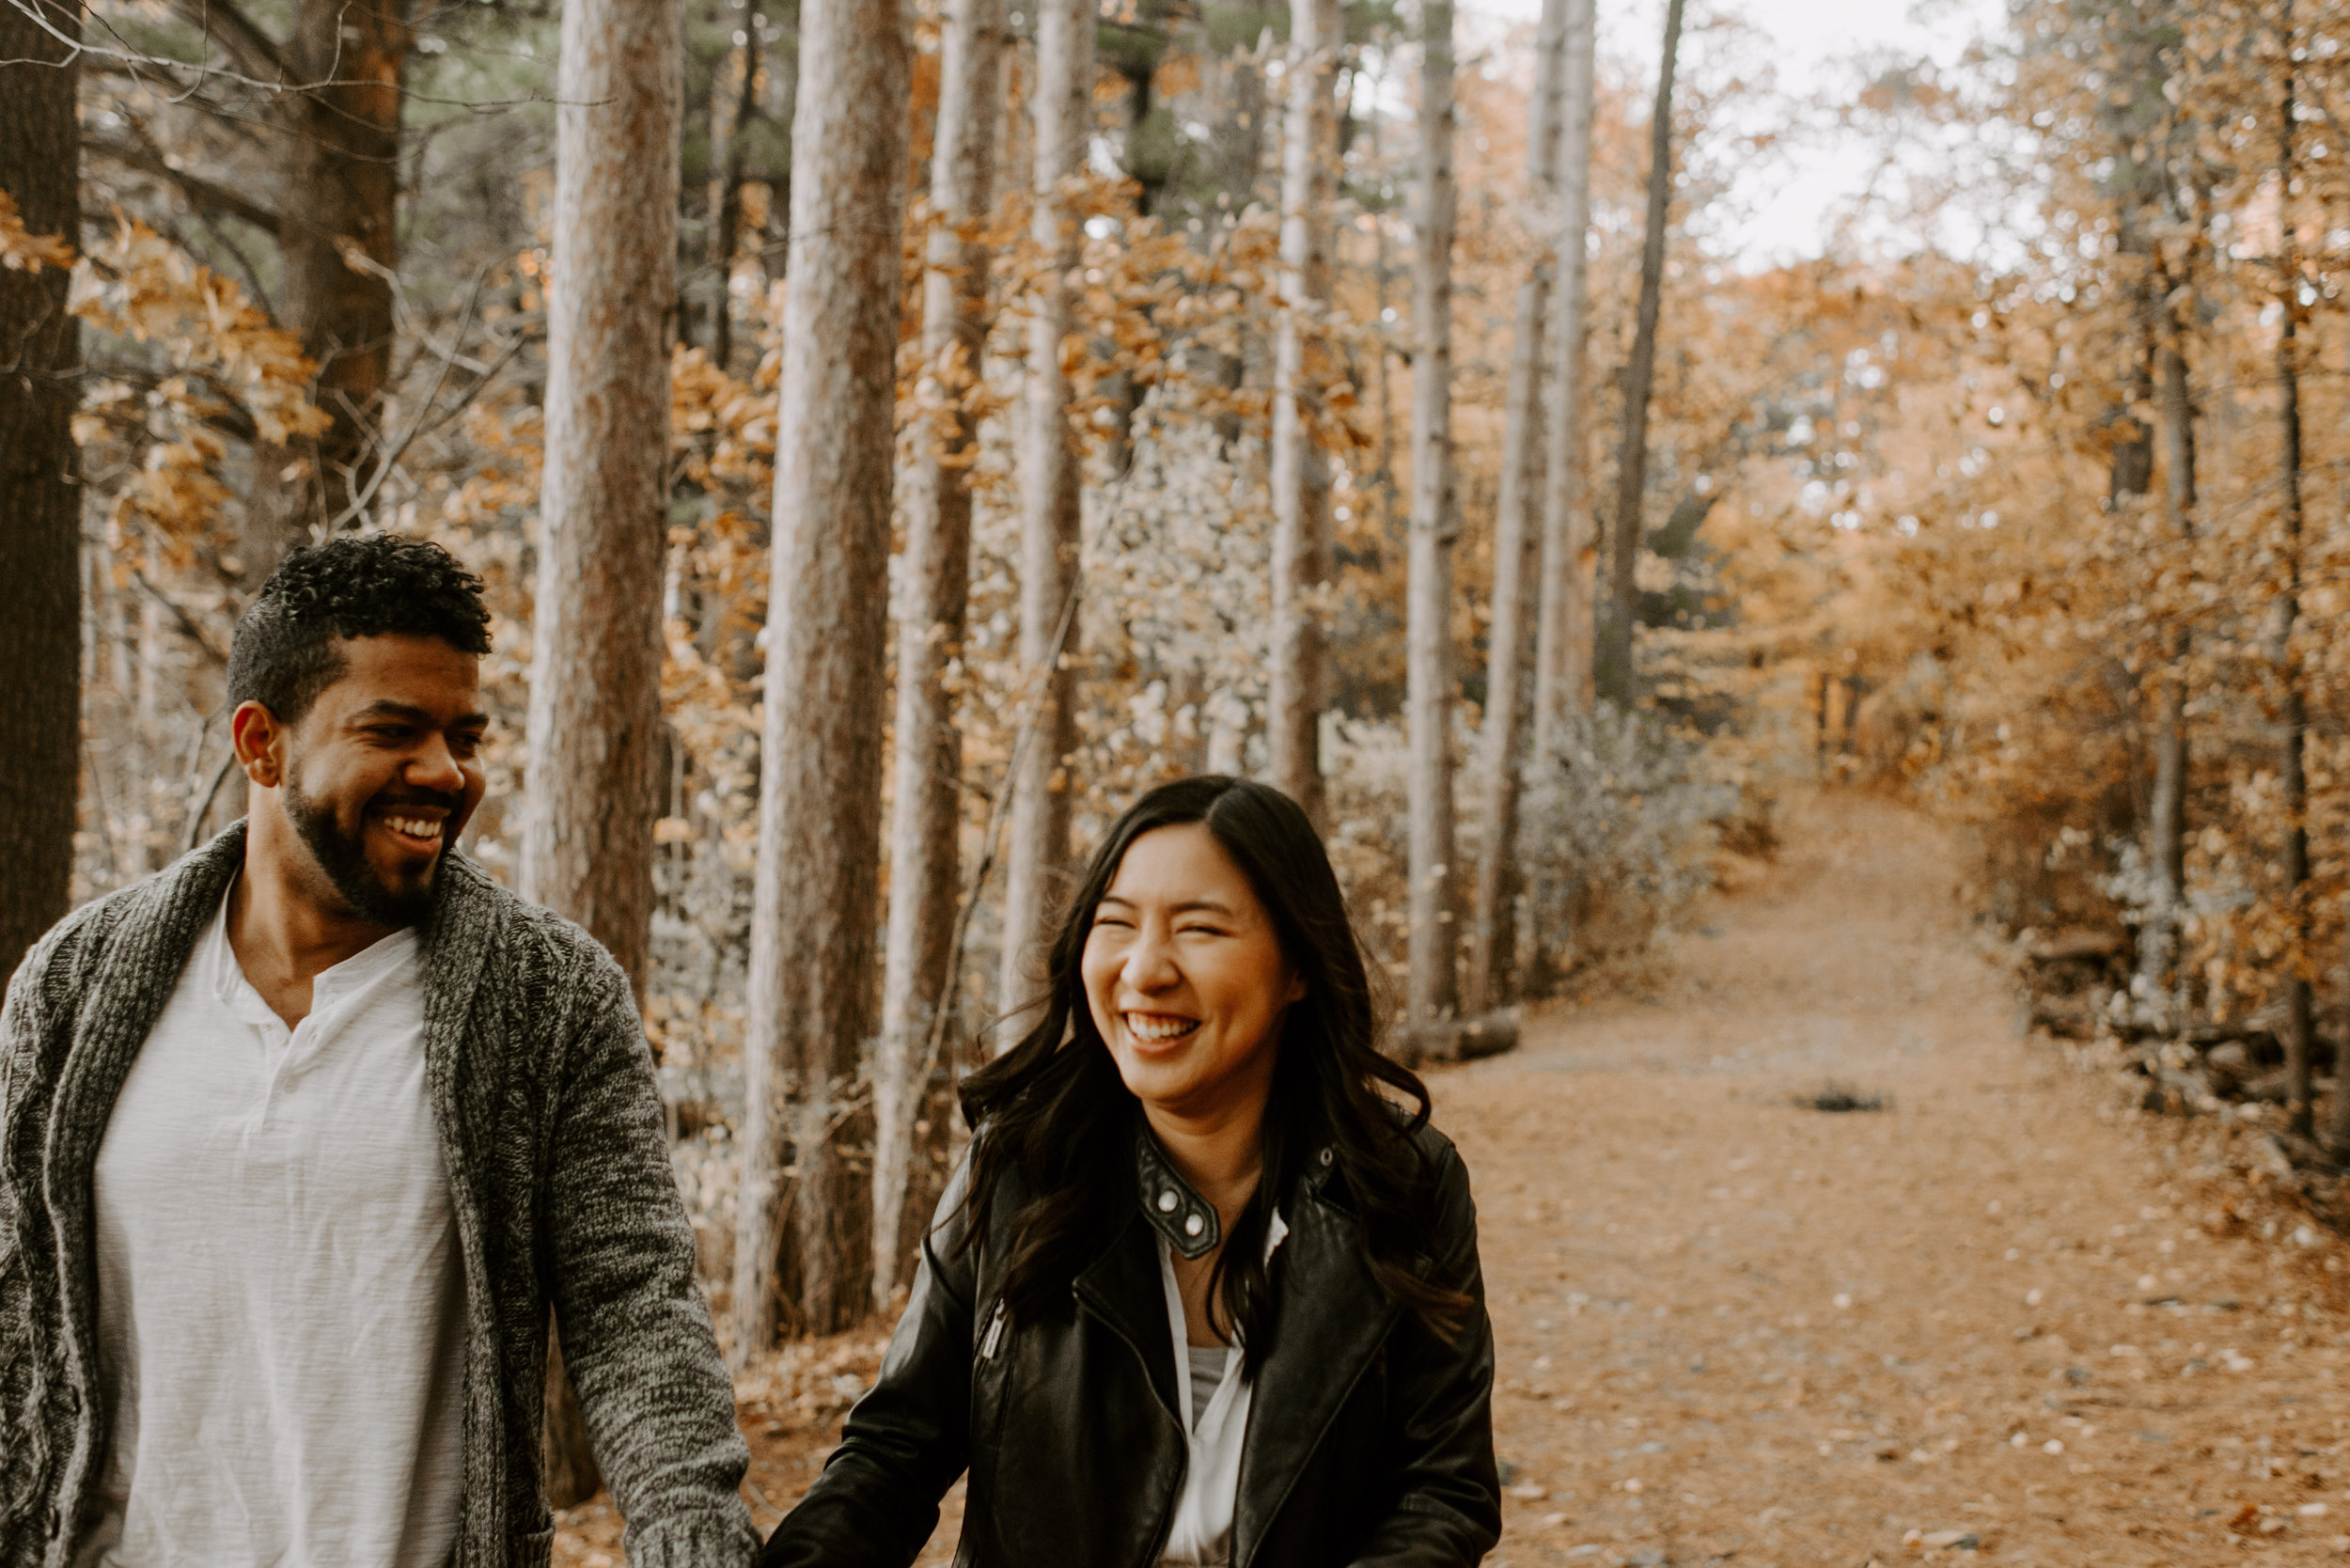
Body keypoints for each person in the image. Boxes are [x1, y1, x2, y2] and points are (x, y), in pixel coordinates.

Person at [0, 536, 758, 1568]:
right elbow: (16, 1310)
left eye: (464, 735)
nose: (446, 774)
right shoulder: (76, 984)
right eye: (395, 731)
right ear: (260, 744)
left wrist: (689, 1524)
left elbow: (631, 1298)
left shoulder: (548, 996)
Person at [760, 776, 1500, 1568]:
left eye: (1200, 930)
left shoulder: (1403, 1183)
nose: (1145, 970)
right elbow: (891, 1455)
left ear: (1298, 968)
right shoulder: (1020, 1165)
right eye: (1115, 924)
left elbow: (1443, 1493)